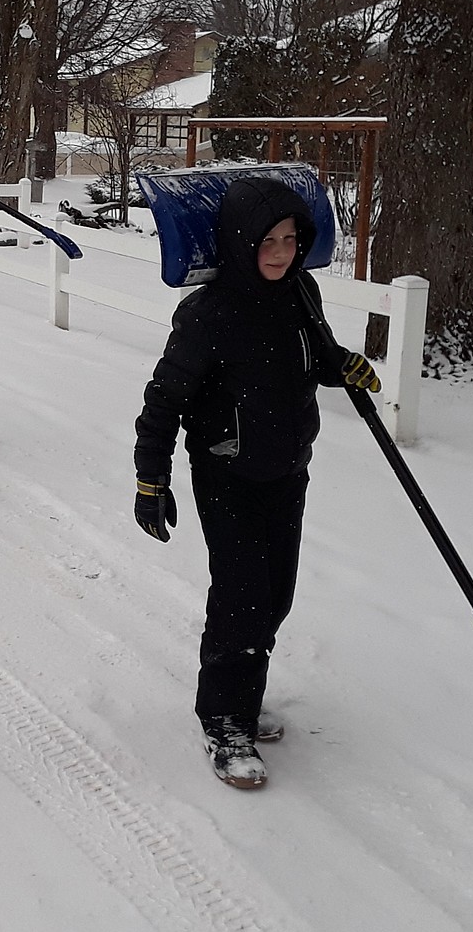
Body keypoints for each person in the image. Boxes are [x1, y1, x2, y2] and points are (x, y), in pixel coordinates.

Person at [133, 176, 380, 789]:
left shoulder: (302, 292)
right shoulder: (207, 315)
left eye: (291, 239)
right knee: (242, 593)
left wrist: (341, 364)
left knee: (275, 593)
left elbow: (311, 353)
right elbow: (164, 400)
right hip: (227, 471)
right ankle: (224, 716)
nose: (280, 252)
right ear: (240, 241)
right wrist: (150, 477)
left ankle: (244, 690)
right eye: (267, 240)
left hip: (287, 465)